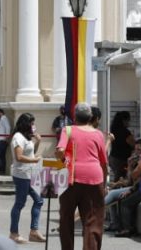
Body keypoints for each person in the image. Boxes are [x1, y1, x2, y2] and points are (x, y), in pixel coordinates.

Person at [55, 102, 108, 250]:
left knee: (66, 219)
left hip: (70, 177)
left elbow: (60, 150)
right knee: (92, 221)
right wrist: (103, 186)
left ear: (75, 117)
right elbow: (104, 163)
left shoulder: (68, 130)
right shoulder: (98, 134)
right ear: (91, 117)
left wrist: (63, 159)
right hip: (94, 177)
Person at [9, 112, 46, 244]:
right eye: (31, 123)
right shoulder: (18, 137)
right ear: (25, 124)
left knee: (39, 200)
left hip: (29, 174)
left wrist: (38, 141)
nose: (33, 125)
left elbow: (31, 152)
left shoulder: (26, 137)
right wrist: (34, 160)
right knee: (20, 203)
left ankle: (34, 231)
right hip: (21, 174)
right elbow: (19, 157)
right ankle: (14, 233)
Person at [108, 111, 135, 182]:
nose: (129, 122)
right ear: (124, 120)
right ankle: (114, 191)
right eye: (128, 120)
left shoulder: (113, 130)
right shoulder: (125, 132)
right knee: (120, 179)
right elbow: (133, 144)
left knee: (118, 176)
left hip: (113, 157)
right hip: (121, 159)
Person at [0, 108, 12, 177]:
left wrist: (6, 137)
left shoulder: (3, 118)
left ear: (1, 112)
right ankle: (0, 170)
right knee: (0, 156)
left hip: (2, 140)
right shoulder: (1, 119)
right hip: (0, 139)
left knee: (1, 156)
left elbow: (8, 127)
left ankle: (1, 171)